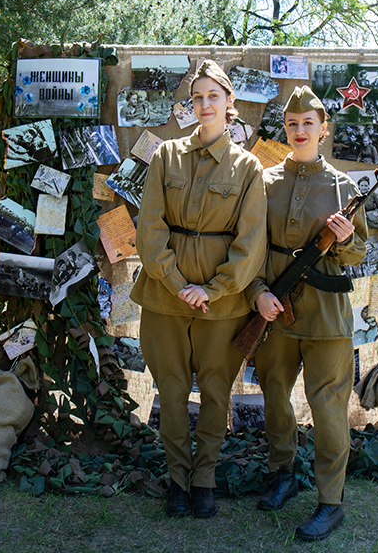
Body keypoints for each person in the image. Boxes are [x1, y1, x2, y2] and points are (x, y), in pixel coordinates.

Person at [130, 60, 267, 520]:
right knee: (170, 392)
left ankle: (204, 479)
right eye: (198, 96)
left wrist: (214, 288)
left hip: (222, 304)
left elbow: (250, 244)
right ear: (189, 104)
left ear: (231, 103)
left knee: (214, 390)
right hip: (164, 298)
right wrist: (176, 283)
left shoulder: (248, 168)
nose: (205, 104)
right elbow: (149, 229)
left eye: (214, 96)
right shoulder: (165, 156)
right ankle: (176, 479)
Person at [245, 86, 367, 542]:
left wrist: (346, 237)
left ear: (323, 129)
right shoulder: (263, 182)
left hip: (327, 319)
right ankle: (283, 475)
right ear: (286, 129)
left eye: (308, 124)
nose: (299, 131)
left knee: (329, 409)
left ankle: (330, 502)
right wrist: (257, 292)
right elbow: (250, 248)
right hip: (276, 313)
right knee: (275, 398)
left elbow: (359, 255)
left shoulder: (345, 187)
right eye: (292, 124)